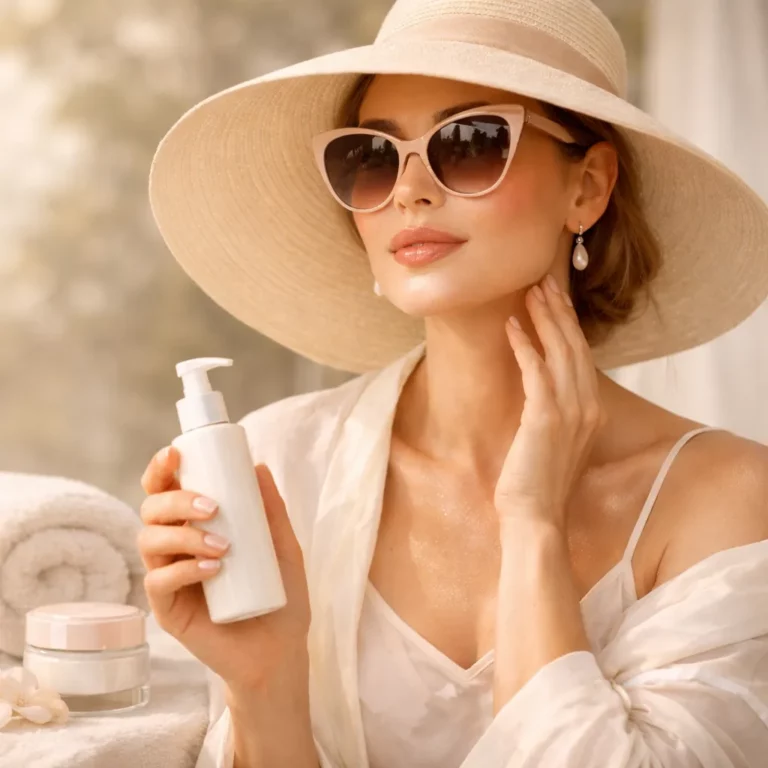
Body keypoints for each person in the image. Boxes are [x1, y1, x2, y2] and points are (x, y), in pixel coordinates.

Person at [140, 0, 768, 766]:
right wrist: (263, 683)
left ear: (588, 187)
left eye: (470, 143)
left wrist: (533, 523)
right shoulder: (279, 465)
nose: (409, 190)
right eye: (373, 157)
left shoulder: (726, 496)